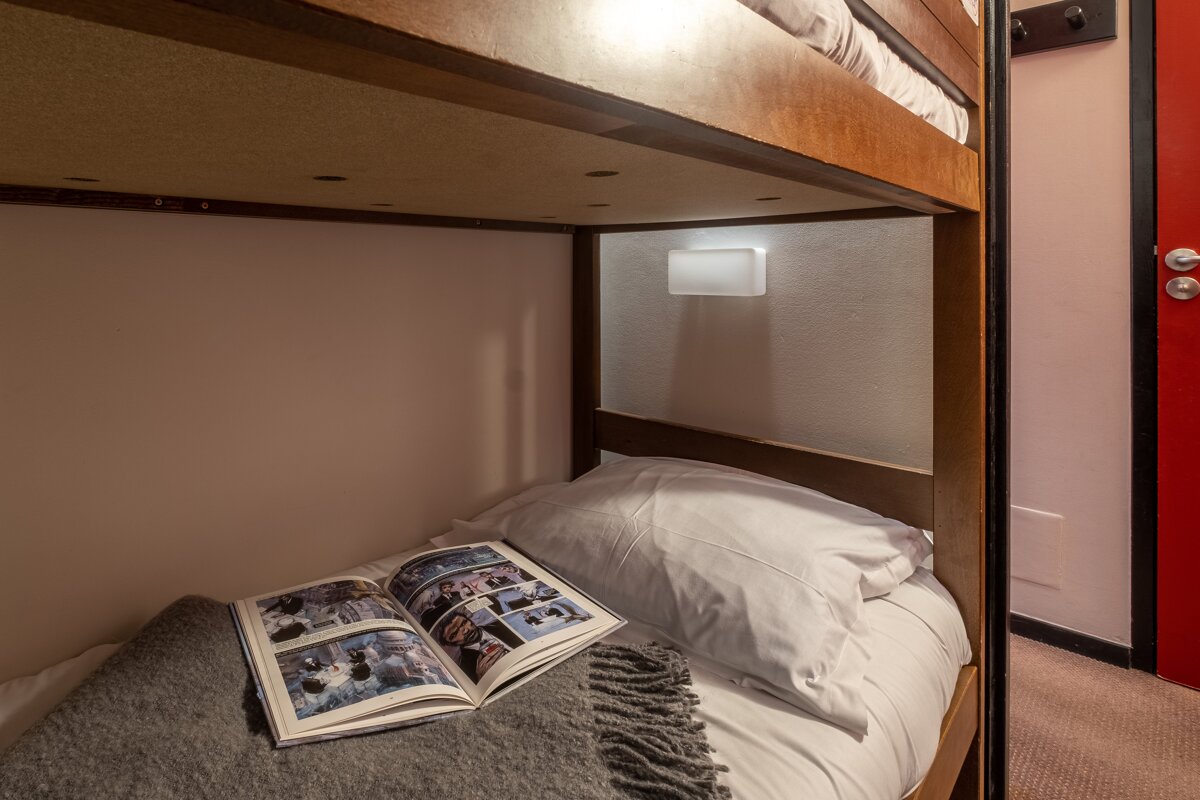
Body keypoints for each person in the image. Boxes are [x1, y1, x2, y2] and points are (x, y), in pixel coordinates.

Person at [436, 611, 522, 682]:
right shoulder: (466, 668)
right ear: (451, 644)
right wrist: (482, 679)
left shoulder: (500, 623)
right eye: (455, 634)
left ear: (469, 619)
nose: (465, 630)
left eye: (464, 623)